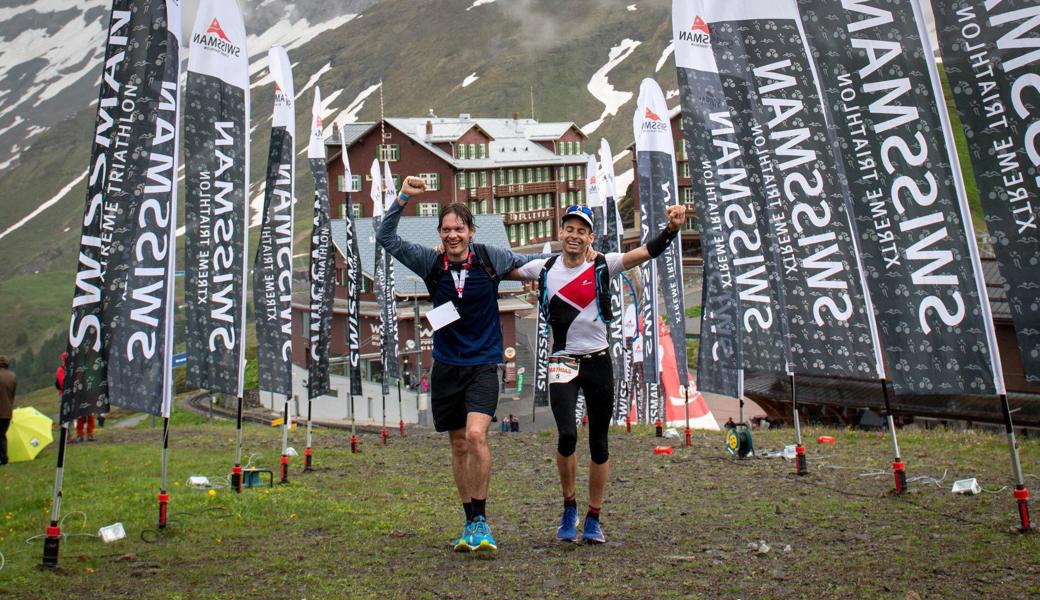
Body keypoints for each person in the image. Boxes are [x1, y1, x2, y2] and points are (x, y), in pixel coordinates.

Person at [377, 175, 553, 553]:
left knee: (476, 436)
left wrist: (576, 259)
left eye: (459, 228)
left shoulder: (490, 258)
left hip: (485, 363)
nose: (452, 235)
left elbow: (533, 264)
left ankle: (482, 519)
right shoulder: (430, 261)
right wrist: (404, 195)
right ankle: (469, 520)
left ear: (471, 230)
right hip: (446, 365)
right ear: (439, 233)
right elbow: (386, 239)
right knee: (458, 446)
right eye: (446, 229)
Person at [509, 202, 686, 544]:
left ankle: (593, 517)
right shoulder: (542, 267)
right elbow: (499, 269)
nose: (574, 236)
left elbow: (646, 252)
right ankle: (569, 506)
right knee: (566, 437)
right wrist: (456, 251)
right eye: (569, 229)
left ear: (590, 237)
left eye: (581, 231)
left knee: (599, 443)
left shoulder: (604, 264)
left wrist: (672, 230)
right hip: (562, 361)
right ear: (561, 233)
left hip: (598, 362)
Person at [0, 355, 17, 465]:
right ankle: (4, 458)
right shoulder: (13, 376)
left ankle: (3, 459)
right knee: (2, 435)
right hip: (7, 412)